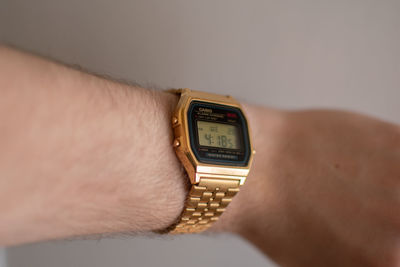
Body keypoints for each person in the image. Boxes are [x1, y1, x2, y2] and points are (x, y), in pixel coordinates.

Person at [0, 45, 399, 267]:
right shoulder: (191, 136)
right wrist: (277, 170)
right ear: (182, 140)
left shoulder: (232, 149)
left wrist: (276, 164)